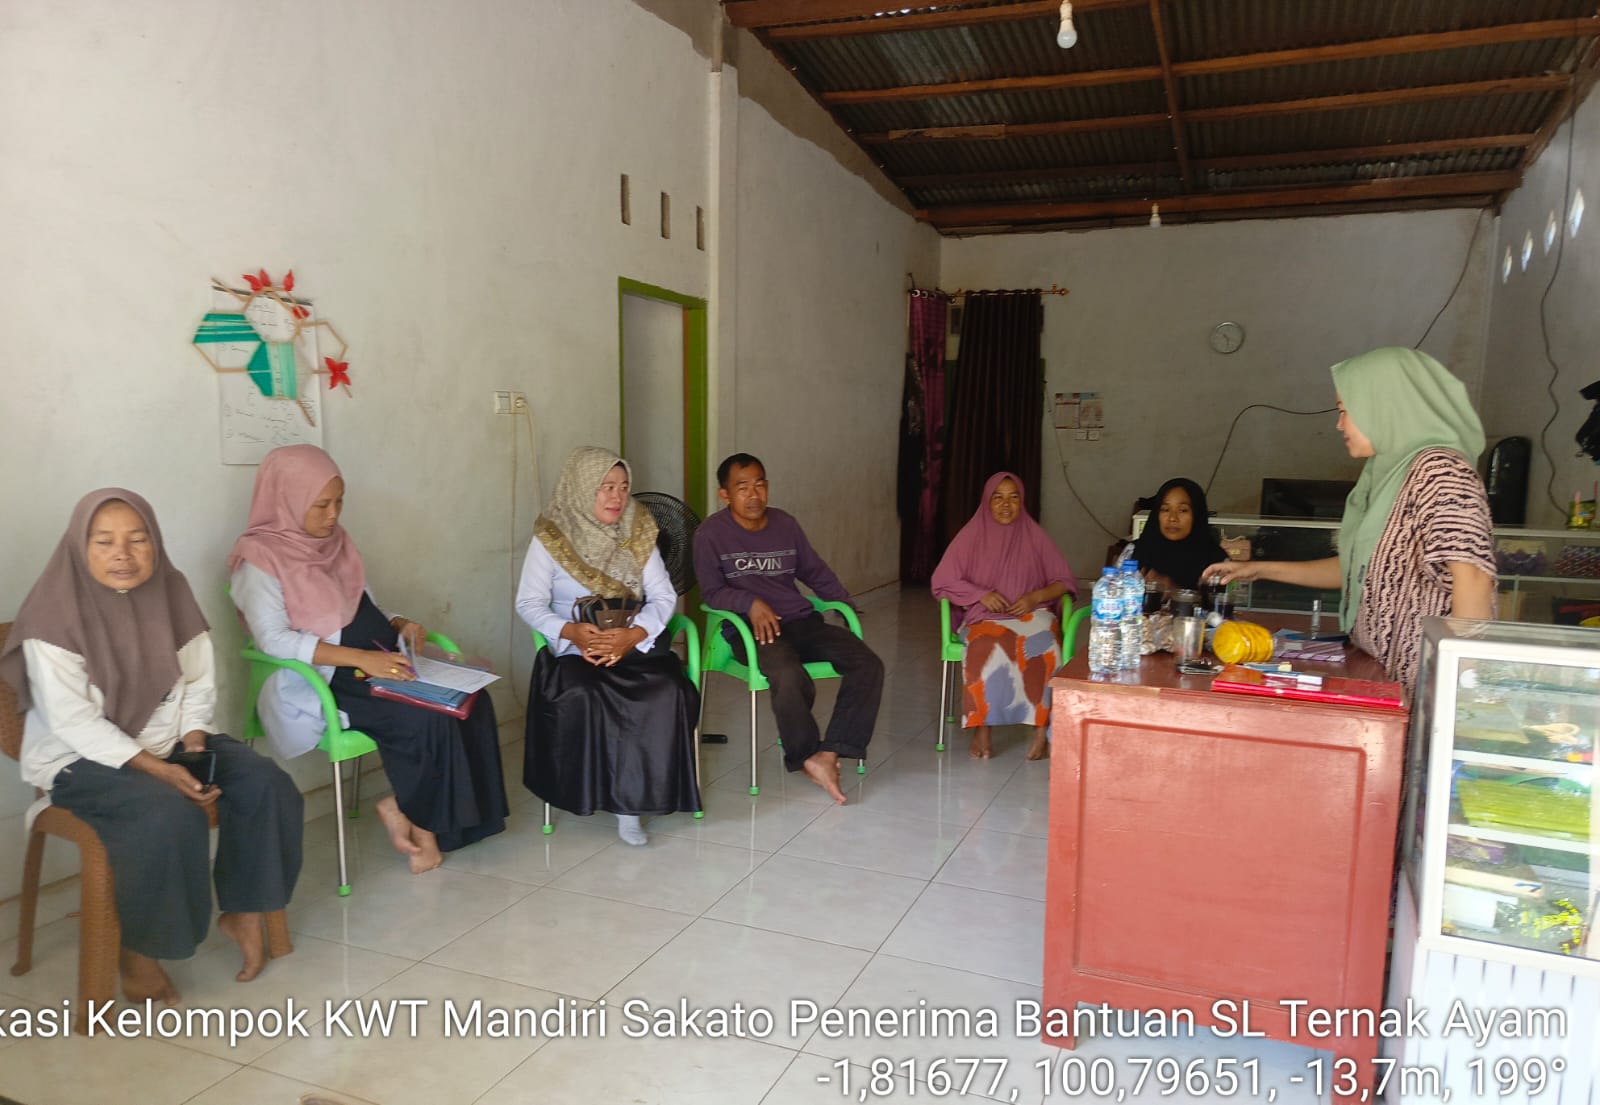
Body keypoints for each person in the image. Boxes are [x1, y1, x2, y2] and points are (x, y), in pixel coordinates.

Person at [0, 489, 302, 1003]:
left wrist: (194, 742)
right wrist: (161, 771)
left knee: (265, 781)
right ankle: (140, 954)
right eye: (105, 542)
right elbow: (72, 721)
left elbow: (198, 681)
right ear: (80, 546)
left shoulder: (171, 591)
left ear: (155, 543)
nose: (123, 553)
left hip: (169, 741)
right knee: (169, 813)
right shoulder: (51, 617)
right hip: (81, 759)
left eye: (138, 540)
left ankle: (245, 911)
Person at [229, 444, 507, 874]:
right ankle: (424, 830)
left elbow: (362, 603)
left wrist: (399, 623)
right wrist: (362, 658)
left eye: (339, 502)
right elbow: (273, 640)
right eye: (321, 504)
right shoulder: (259, 561)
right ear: (287, 498)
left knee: (472, 702)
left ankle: (415, 808)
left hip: (381, 659)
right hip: (327, 676)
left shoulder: (335, 544)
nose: (333, 514)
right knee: (428, 716)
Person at [1206, 347, 1495, 692]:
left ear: (1384, 408)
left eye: (1346, 412)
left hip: (1428, 690)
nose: (1339, 423)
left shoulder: (1440, 471)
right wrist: (1259, 569)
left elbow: (1474, 577)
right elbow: (1359, 569)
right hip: (1390, 682)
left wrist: (1459, 686)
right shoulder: (1392, 473)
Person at [515, 446, 701, 845]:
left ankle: (631, 804)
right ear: (582, 489)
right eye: (605, 487)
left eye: (623, 486)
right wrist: (571, 632)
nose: (617, 497)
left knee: (667, 690)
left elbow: (663, 597)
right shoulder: (552, 535)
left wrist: (635, 635)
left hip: (633, 643)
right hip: (578, 647)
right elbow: (528, 603)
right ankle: (597, 790)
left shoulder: (638, 529)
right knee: (586, 692)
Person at [693, 452, 883, 804]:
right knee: (787, 674)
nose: (754, 495)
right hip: (750, 630)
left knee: (867, 663)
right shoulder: (710, 535)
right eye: (743, 487)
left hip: (799, 619)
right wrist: (749, 604)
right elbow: (712, 592)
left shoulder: (785, 524)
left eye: (760, 485)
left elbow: (815, 572)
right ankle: (806, 755)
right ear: (725, 494)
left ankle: (832, 751)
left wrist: (844, 605)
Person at [931, 472, 1076, 761]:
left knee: (1046, 644)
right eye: (998, 497)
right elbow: (942, 579)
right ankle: (982, 728)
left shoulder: (1034, 535)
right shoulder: (971, 535)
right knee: (984, 647)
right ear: (987, 502)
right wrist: (979, 594)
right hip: (985, 617)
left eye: (1014, 497)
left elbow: (1065, 581)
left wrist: (1034, 597)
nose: (1006, 505)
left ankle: (1040, 729)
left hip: (1032, 614)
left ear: (1022, 502)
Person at [1128, 477, 1227, 593]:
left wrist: (1174, 591)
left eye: (1183, 510)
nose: (1172, 518)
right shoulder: (1134, 552)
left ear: (1197, 514)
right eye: (1165, 509)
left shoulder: (1216, 560)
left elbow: (1222, 606)